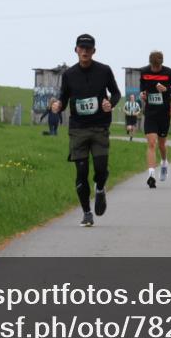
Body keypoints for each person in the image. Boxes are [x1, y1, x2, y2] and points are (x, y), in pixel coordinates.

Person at [52, 34, 121, 227]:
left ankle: (100, 189)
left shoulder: (104, 71)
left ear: (94, 51)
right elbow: (64, 97)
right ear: (76, 50)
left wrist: (110, 103)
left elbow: (116, 93)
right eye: (81, 48)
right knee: (81, 173)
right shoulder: (69, 75)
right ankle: (87, 213)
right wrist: (58, 105)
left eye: (88, 48)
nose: (84, 51)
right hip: (78, 129)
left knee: (101, 169)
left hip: (99, 127)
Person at [139, 50, 171, 188]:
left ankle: (164, 162)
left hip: (164, 113)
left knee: (162, 144)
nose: (156, 69)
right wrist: (143, 94)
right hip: (150, 113)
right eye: (154, 67)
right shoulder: (144, 72)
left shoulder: (168, 72)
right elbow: (142, 88)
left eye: (158, 67)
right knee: (151, 143)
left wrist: (166, 89)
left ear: (161, 64)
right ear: (150, 63)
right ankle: (151, 175)